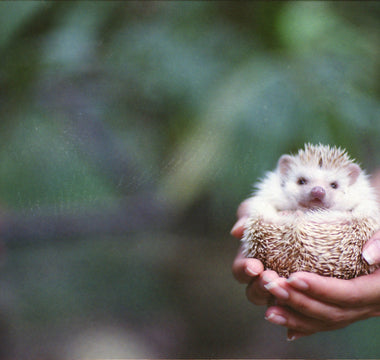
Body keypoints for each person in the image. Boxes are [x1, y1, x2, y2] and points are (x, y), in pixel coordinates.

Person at [231, 170, 380, 341]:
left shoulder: (360, 203)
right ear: (283, 174)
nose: (318, 190)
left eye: (333, 185)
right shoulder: (275, 193)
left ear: (353, 180)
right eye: (302, 181)